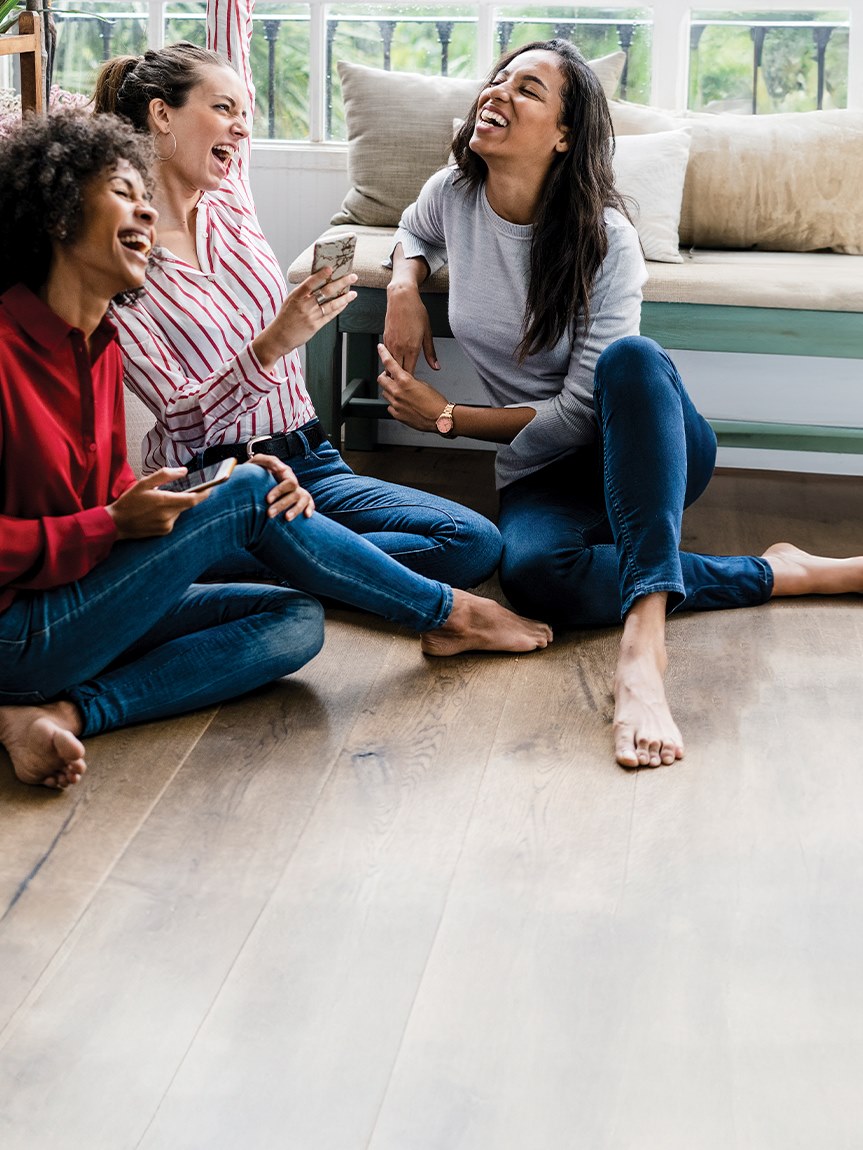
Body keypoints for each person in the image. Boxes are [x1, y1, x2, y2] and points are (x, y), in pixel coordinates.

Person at [0, 111, 549, 792]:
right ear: (56, 214)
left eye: (145, 192)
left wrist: (208, 493)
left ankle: (60, 712)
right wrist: (118, 524)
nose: (145, 206)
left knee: (294, 620)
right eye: (122, 190)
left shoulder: (98, 345)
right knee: (256, 499)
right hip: (16, 631)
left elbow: (108, 497)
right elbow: (102, 520)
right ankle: (447, 612)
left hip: (76, 603)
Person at [378, 38, 863, 770]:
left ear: (565, 135)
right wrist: (403, 288)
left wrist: (445, 418)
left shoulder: (606, 238)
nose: (498, 94)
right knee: (538, 578)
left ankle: (643, 647)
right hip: (544, 472)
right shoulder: (453, 193)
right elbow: (413, 232)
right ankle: (783, 572)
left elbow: (579, 413)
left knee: (631, 360)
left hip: (639, 439)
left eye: (528, 90)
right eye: (498, 80)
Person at [91, 0, 503, 596]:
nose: (242, 124)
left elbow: (234, 39)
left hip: (312, 460)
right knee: (439, 554)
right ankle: (268, 553)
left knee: (471, 541)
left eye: (244, 110)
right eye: (222, 109)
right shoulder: (115, 257)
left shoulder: (228, 195)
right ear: (162, 115)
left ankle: (261, 562)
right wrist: (276, 341)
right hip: (222, 484)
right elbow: (181, 416)